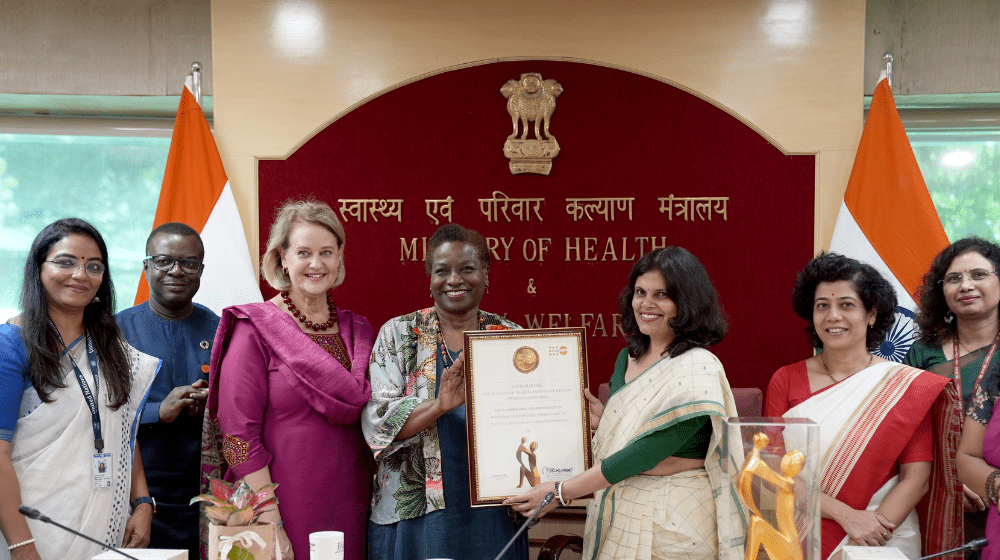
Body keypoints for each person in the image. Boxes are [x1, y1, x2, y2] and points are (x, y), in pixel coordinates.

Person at [505, 247, 746, 560]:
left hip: (676, 524)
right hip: (619, 511)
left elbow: (643, 453)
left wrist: (560, 491)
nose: (646, 304)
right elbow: (632, 441)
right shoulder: (625, 359)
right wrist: (606, 423)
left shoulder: (698, 369)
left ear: (685, 303)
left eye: (662, 295)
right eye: (640, 292)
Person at [205, 199, 374, 560]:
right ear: (282, 257)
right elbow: (235, 435)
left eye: (326, 252)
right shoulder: (254, 329)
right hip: (280, 504)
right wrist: (268, 518)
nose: (316, 264)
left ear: (340, 256)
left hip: (352, 500)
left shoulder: (358, 331)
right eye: (304, 252)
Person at [765, 252, 962, 560]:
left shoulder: (902, 387)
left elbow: (916, 479)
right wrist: (846, 516)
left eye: (846, 304)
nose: (833, 316)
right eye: (822, 306)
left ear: (871, 314)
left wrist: (868, 537)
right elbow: (774, 469)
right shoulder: (785, 380)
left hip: (883, 532)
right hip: (801, 529)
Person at [362, 223, 527, 560]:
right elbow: (377, 425)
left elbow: (532, 422)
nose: (454, 280)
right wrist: (439, 405)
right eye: (442, 271)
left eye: (467, 268)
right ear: (430, 277)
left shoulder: (510, 337)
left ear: (486, 274)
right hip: (415, 513)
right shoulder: (397, 335)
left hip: (492, 513)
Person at [0, 218, 159, 560]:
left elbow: (122, 429)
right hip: (29, 527)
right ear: (38, 268)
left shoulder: (111, 347)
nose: (80, 275)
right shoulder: (11, 345)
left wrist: (142, 501)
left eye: (94, 266)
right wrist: (21, 547)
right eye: (65, 262)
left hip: (103, 526)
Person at [117, 222, 219, 558]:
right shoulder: (114, 331)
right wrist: (158, 411)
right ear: (146, 267)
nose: (177, 271)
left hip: (206, 491)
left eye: (189, 263)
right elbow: (96, 413)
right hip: (138, 493)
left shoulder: (219, 328)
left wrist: (211, 405)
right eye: (163, 261)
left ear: (201, 270)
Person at [906, 237, 1000, 547]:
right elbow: (905, 433)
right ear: (940, 291)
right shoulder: (922, 354)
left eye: (978, 274)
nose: (966, 285)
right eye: (953, 278)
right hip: (933, 493)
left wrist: (983, 480)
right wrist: (951, 484)